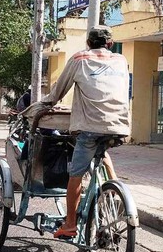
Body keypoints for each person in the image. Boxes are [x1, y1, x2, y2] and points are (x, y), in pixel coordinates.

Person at [40, 25, 131, 239]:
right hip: (119, 127)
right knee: (102, 152)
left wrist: (44, 105)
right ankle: (114, 192)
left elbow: (57, 93)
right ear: (109, 44)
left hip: (90, 128)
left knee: (76, 175)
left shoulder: (80, 58)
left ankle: (70, 224)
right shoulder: (121, 60)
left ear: (88, 43)